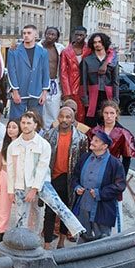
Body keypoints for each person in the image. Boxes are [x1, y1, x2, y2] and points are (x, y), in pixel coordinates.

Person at [6, 112, 86, 239]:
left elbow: (42, 168)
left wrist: (34, 190)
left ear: (35, 125)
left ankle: (80, 232)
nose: (25, 126)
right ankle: (22, 242)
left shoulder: (43, 144)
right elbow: (10, 170)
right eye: (23, 123)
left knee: (59, 206)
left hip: (41, 183)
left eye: (29, 123)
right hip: (20, 185)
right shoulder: (13, 146)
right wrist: (11, 191)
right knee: (21, 218)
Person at [42, 106, 89, 250]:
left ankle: (61, 241)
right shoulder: (48, 135)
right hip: (51, 178)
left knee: (66, 210)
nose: (64, 120)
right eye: (61, 116)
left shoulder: (81, 138)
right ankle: (47, 243)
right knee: (49, 211)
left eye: (68, 117)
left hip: (69, 179)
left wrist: (80, 182)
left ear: (73, 119)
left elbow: (83, 162)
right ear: (58, 118)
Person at [72, 131, 127, 242]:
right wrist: (77, 187)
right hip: (83, 206)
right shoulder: (84, 158)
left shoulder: (114, 163)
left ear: (105, 146)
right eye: (93, 140)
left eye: (96, 141)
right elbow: (75, 176)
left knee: (103, 240)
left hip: (102, 210)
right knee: (82, 238)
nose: (92, 142)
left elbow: (120, 185)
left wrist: (99, 193)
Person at [7, 25, 50, 120]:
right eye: (24, 33)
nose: (26, 35)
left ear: (36, 34)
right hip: (20, 91)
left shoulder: (43, 52)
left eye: (29, 33)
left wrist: (44, 92)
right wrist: (15, 91)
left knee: (36, 121)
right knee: (16, 120)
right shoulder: (14, 51)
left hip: (36, 91)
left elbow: (46, 72)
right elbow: (11, 72)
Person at [88, 100, 135, 177]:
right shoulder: (94, 131)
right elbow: (88, 153)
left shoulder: (124, 134)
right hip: (94, 169)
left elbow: (126, 159)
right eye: (106, 113)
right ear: (102, 114)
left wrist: (122, 177)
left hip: (113, 170)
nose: (109, 116)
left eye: (112, 113)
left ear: (116, 114)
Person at [81, 33, 119, 128]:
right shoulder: (87, 60)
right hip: (92, 96)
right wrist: (85, 99)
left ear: (104, 43)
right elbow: (83, 81)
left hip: (108, 96)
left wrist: (116, 99)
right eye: (95, 42)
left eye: (99, 42)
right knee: (90, 124)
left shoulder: (112, 60)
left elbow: (116, 81)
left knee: (108, 124)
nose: (97, 44)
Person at [0, 119, 20, 243]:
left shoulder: (22, 144)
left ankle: (21, 233)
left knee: (19, 207)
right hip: (4, 175)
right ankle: (0, 232)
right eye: (9, 127)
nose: (11, 130)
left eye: (14, 127)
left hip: (18, 178)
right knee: (2, 206)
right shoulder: (2, 143)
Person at [60, 26, 89, 123]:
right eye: (76, 35)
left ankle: (82, 131)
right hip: (72, 85)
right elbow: (63, 72)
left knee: (85, 114)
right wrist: (67, 92)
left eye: (81, 35)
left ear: (85, 36)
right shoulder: (66, 52)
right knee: (71, 112)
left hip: (86, 85)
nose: (78, 37)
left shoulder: (89, 49)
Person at [41, 27, 66, 128]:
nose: (49, 36)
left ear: (57, 37)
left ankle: (51, 132)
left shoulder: (60, 49)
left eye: (52, 35)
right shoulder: (37, 47)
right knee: (40, 109)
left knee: (54, 110)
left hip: (54, 82)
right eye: (48, 34)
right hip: (40, 83)